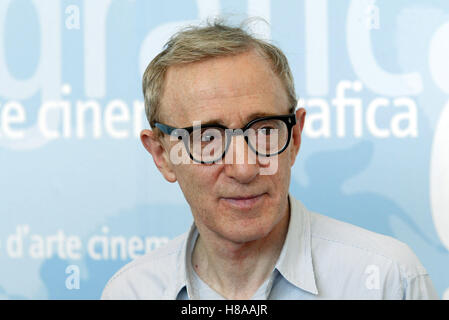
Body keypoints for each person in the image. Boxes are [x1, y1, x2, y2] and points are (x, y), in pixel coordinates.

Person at [101, 19, 438, 300]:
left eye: (264, 131)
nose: (245, 168)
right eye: (208, 138)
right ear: (162, 155)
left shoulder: (387, 281)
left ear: (294, 138)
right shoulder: (131, 292)